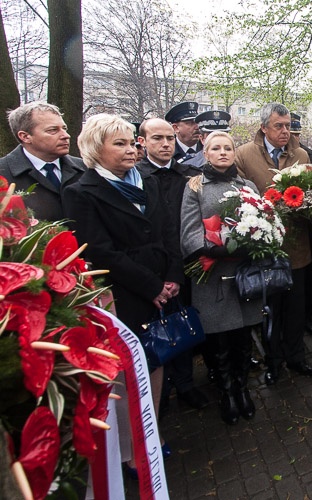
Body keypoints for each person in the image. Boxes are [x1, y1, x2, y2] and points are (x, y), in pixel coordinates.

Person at [62, 113, 182, 464]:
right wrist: (151, 285)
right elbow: (99, 250)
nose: (132, 150)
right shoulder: (81, 192)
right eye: (120, 144)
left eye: (132, 143)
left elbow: (168, 231)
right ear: (95, 148)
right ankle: (130, 451)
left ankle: (151, 432)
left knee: (154, 362)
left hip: (161, 285)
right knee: (127, 371)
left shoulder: (147, 182)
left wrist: (172, 275)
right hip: (123, 293)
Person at [180, 131, 262, 424]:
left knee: (243, 337)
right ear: (206, 153)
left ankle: (242, 388)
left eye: (228, 148)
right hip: (213, 274)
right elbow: (189, 232)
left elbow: (262, 220)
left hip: (244, 273)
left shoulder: (248, 185)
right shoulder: (195, 186)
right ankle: (226, 392)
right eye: (216, 148)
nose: (223, 152)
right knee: (220, 341)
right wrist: (217, 249)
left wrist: (258, 242)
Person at [234, 102, 312, 384]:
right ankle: (273, 362)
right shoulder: (244, 154)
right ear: (263, 127)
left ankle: (296, 357)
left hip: (297, 246)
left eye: (288, 126)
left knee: (296, 310)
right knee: (271, 311)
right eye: (278, 126)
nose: (285, 131)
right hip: (264, 249)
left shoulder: (301, 154)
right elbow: (238, 198)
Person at [136, 118, 209, 413]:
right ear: (142, 142)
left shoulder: (189, 175)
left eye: (169, 138)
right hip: (151, 268)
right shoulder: (136, 176)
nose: (165, 144)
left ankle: (186, 383)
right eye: (157, 138)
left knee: (184, 323)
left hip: (186, 263)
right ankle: (159, 390)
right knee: (154, 328)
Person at [0, 101, 85, 221]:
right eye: (53, 130)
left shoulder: (85, 169)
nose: (66, 135)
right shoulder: (3, 173)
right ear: (25, 136)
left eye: (64, 128)